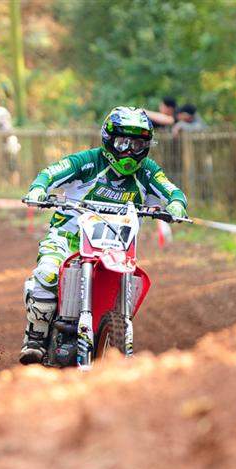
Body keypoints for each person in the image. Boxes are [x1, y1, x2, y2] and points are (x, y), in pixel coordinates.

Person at [20, 106, 188, 363]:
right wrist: (39, 189)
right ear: (109, 140)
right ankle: (36, 339)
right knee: (47, 274)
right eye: (123, 142)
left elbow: (172, 190)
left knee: (129, 280)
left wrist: (176, 205)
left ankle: (113, 335)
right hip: (68, 238)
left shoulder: (147, 172)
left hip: (116, 246)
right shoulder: (87, 161)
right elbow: (51, 172)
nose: (130, 151)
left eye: (138, 144)